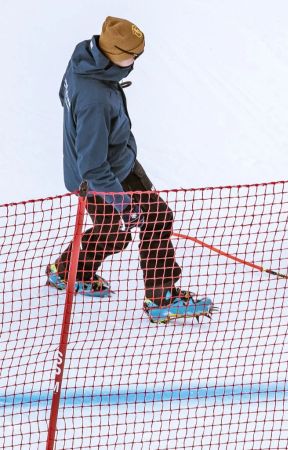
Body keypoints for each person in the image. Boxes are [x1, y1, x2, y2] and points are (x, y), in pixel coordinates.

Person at [48, 16, 214, 324]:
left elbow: (64, 96)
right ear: (114, 52)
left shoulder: (84, 59)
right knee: (155, 217)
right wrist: (124, 204)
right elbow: (93, 165)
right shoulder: (95, 99)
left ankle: (68, 271)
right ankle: (162, 297)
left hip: (113, 165)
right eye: (132, 55)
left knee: (112, 231)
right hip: (100, 178)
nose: (135, 61)